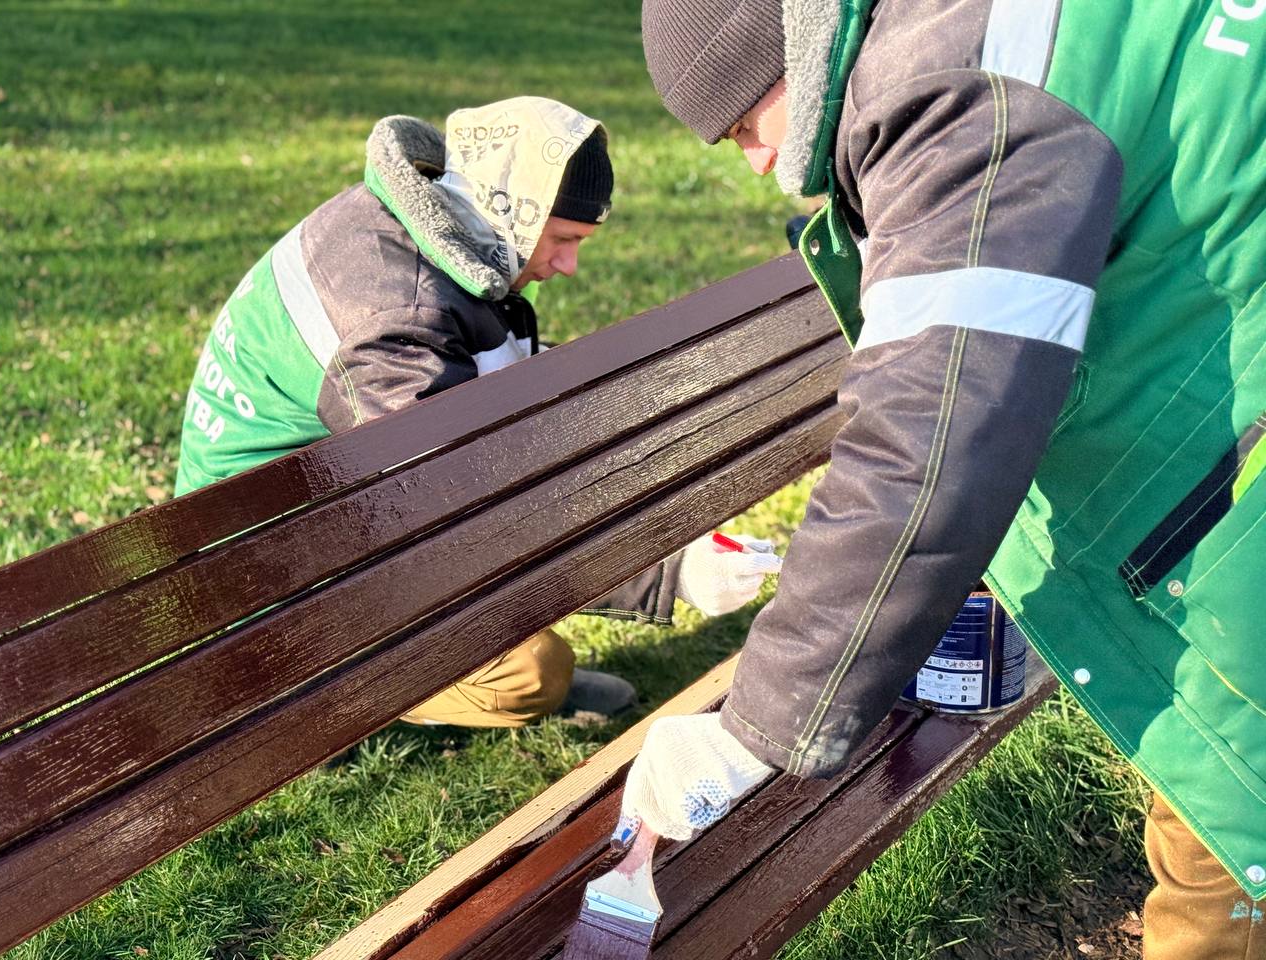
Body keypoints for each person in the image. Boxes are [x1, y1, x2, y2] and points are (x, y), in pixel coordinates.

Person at [623, 3, 1266, 957]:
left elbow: (935, 424)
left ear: (784, 60)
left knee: (1227, 786)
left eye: (741, 129)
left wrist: (751, 726)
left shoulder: (954, 93)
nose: (756, 165)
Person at [174, 96, 781, 728]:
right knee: (531, 672)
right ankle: (332, 704)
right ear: (511, 215)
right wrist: (666, 566)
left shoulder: (422, 228)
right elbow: (468, 515)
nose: (570, 267)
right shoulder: (392, 325)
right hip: (272, 599)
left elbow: (491, 397)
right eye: (565, 240)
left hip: (323, 526)